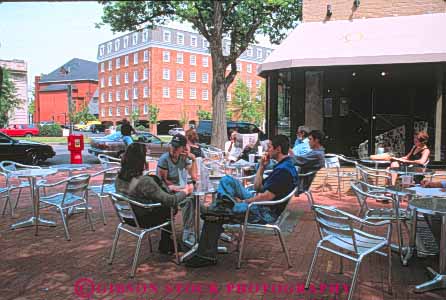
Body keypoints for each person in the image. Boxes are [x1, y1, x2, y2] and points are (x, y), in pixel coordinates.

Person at [185, 135, 298, 267]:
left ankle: (205, 256)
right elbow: (258, 187)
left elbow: (265, 197)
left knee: (213, 214)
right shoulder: (284, 165)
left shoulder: (283, 171)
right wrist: (262, 166)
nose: (267, 150)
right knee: (227, 180)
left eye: (270, 147)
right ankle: (225, 203)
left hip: (263, 211)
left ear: (278, 149)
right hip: (261, 203)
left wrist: (245, 202)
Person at [115, 143, 194, 254]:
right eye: (146, 157)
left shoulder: (119, 178)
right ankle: (168, 243)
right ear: (140, 160)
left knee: (162, 200)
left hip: (127, 217)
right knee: (169, 208)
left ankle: (167, 242)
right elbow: (171, 201)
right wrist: (186, 191)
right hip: (143, 219)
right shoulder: (144, 182)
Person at [157, 134, 198, 245]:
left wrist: (193, 159)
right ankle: (187, 233)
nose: (174, 149)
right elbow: (162, 181)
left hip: (179, 188)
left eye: (177, 146)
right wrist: (180, 189)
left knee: (197, 200)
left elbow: (194, 176)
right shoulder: (164, 159)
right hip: (166, 191)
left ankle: (200, 229)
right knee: (189, 200)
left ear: (183, 148)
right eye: (173, 145)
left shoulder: (183, 158)